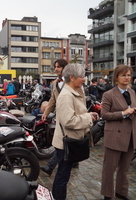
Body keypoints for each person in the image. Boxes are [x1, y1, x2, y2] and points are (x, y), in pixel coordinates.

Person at [51, 63, 97, 200]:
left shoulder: (75, 91)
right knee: (62, 176)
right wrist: (88, 117)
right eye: (82, 76)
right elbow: (69, 121)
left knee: (63, 174)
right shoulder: (66, 95)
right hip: (66, 142)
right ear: (72, 77)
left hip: (70, 140)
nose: (84, 79)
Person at [100, 65, 136, 200]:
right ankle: (107, 194)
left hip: (130, 135)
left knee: (125, 168)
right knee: (109, 168)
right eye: (123, 75)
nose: (127, 77)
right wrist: (123, 113)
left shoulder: (132, 92)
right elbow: (104, 115)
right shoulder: (109, 94)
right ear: (116, 77)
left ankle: (121, 192)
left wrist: (135, 110)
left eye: (129, 75)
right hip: (114, 135)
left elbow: (131, 109)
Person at [40, 59, 69, 176]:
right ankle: (52, 166)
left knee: (64, 141)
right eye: (55, 67)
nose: (56, 69)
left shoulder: (71, 80)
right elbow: (53, 100)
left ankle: (51, 166)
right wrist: (46, 112)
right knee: (62, 141)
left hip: (70, 116)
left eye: (59, 67)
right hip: (60, 116)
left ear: (64, 68)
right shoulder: (55, 83)